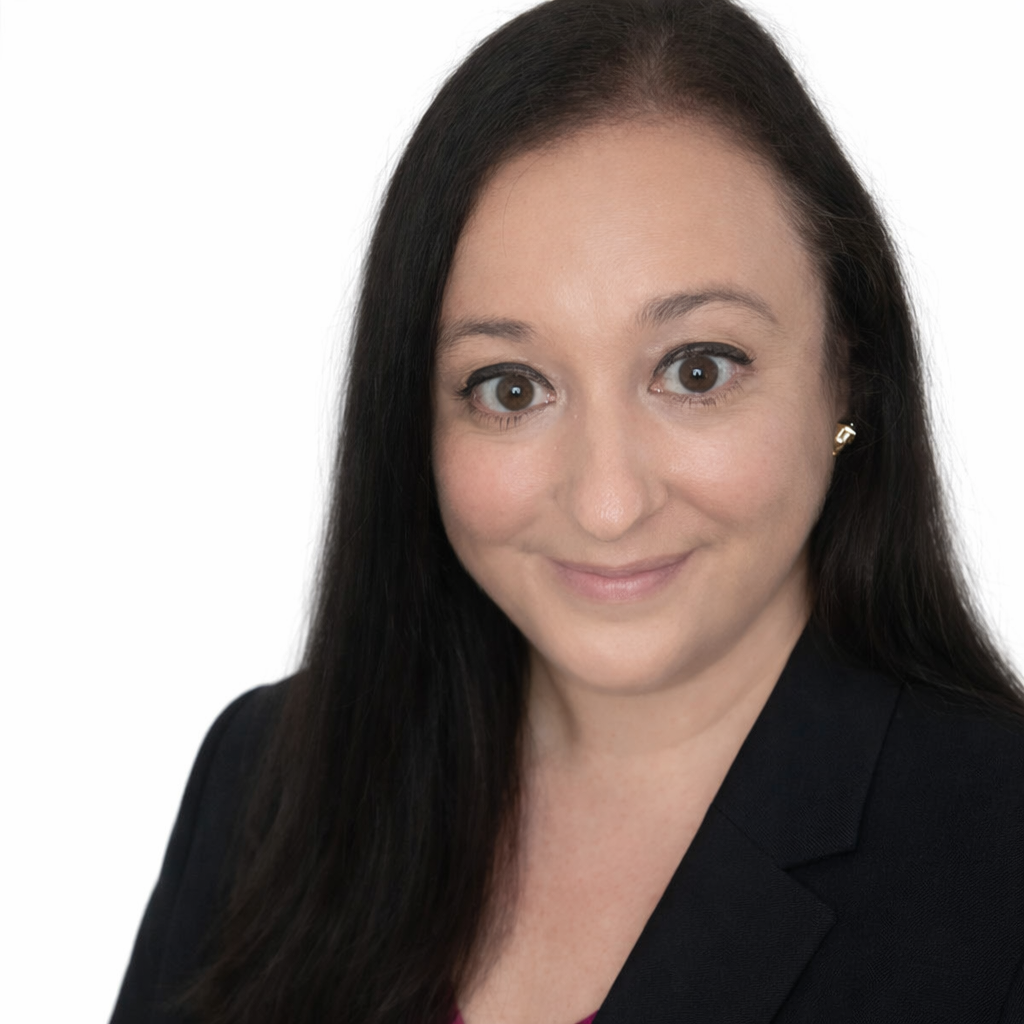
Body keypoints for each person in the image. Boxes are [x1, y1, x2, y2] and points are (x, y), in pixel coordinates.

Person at [110, 1, 1024, 1022]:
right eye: (510, 388)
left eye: (696, 369)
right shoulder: (264, 780)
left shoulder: (1000, 850)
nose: (606, 501)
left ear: (846, 377)